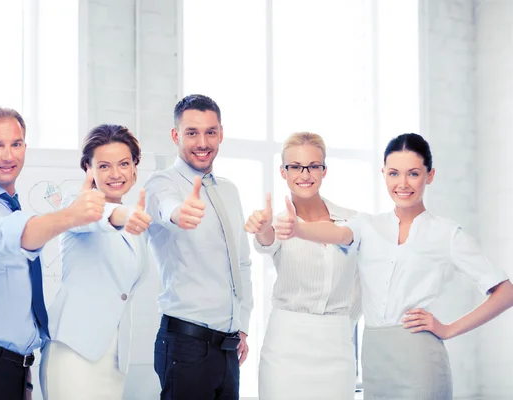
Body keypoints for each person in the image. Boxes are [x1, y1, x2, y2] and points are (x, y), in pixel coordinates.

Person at [274, 133, 513, 399]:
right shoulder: (367, 225)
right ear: (383, 174)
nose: (402, 183)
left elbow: (506, 291)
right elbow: (337, 234)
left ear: (429, 175)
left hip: (419, 357)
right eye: (394, 173)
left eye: (413, 173)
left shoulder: (447, 234)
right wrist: (300, 230)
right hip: (374, 357)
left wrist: (448, 329)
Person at [0, 106, 107, 400]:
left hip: (13, 372)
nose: (8, 155)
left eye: (15, 144)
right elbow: (2, 235)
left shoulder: (11, 209)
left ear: (25, 148)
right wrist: (71, 215)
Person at [144, 94, 254, 400]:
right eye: (192, 133)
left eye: (210, 132)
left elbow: (242, 263)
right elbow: (167, 208)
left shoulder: (229, 191)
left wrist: (241, 325)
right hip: (186, 345)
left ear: (220, 133)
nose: (202, 142)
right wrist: (180, 214)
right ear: (175, 135)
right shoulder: (160, 184)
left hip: (229, 348)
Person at [244, 132, 360, 400]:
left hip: (337, 347)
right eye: (295, 166)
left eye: (313, 166)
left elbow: (364, 281)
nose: (304, 174)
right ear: (283, 172)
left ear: (324, 170)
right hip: (286, 346)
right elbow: (267, 241)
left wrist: (344, 322)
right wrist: (262, 229)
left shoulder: (352, 221)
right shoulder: (278, 223)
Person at [39, 124, 152, 399]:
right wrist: (122, 214)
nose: (116, 174)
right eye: (104, 166)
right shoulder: (75, 205)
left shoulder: (137, 225)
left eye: (124, 163)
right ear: (88, 170)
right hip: (73, 353)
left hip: (113, 358)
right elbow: (98, 217)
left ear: (135, 168)